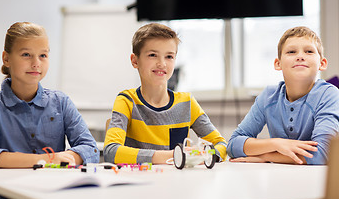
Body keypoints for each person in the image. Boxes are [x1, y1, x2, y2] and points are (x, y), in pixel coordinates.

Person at [0, 22, 99, 199]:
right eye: (26, 54)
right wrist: (46, 160)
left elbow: (91, 149)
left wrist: (69, 158)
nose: (36, 63)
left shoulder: (61, 102)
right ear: (6, 59)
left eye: (43, 55)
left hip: (53, 198)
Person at [103, 23, 227, 164]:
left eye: (169, 56)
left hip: (177, 181)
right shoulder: (126, 101)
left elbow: (221, 145)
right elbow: (111, 152)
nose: (161, 63)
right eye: (152, 55)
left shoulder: (187, 102)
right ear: (135, 60)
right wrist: (175, 156)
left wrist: (202, 155)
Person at [227, 26, 339, 165]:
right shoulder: (268, 96)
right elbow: (233, 145)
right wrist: (277, 144)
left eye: (309, 51)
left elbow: (324, 154)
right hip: (279, 176)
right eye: (291, 52)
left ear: (322, 63)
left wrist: (266, 156)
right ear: (277, 63)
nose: (300, 56)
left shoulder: (329, 95)